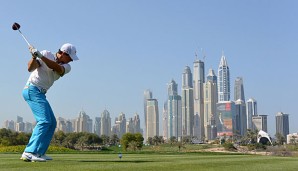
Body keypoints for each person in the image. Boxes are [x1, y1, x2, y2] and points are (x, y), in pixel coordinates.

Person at [20, 43, 79, 162]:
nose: (71, 61)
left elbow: (56, 67)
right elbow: (30, 68)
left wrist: (40, 56)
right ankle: (29, 152)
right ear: (63, 53)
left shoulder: (67, 67)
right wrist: (33, 57)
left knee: (52, 123)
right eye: (70, 58)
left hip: (40, 93)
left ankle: (39, 152)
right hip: (32, 89)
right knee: (44, 121)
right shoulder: (46, 54)